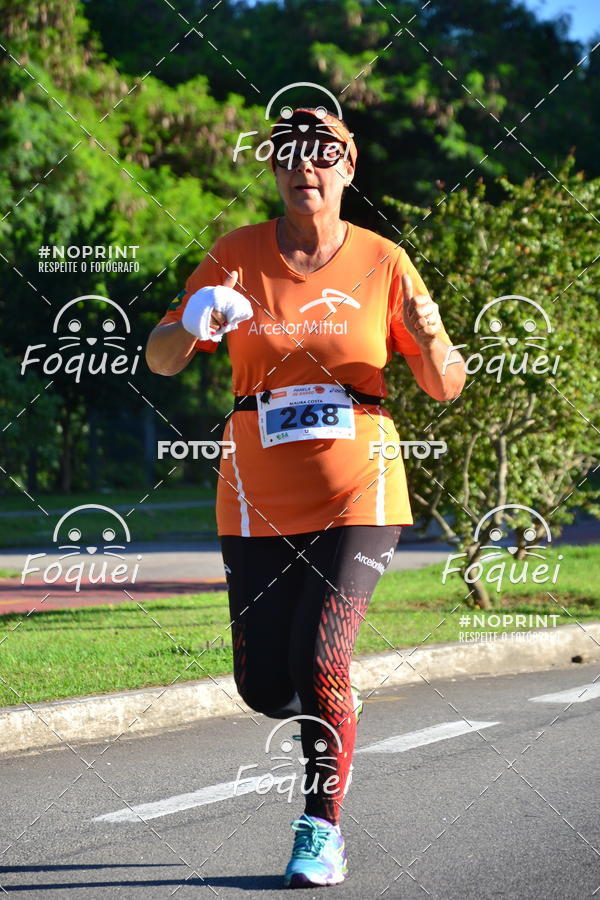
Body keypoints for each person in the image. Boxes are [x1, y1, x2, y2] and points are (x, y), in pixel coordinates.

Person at [146, 106, 466, 889]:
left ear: (348, 168)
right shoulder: (235, 254)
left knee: (322, 658)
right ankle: (334, 705)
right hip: (254, 496)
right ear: (273, 169)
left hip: (361, 490)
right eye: (288, 154)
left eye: (323, 154)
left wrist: (431, 338)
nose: (305, 167)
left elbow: (445, 385)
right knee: (264, 684)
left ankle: (320, 830)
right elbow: (160, 360)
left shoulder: (384, 260)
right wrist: (192, 321)